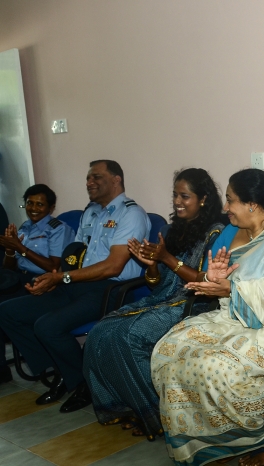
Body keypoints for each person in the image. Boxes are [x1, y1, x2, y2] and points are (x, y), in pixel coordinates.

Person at [150, 168, 264, 466]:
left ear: (252, 204)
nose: (225, 207)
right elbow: (225, 283)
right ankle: (213, 444)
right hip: (235, 317)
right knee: (169, 351)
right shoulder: (239, 232)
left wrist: (233, 288)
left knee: (213, 367)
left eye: (231, 200)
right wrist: (215, 279)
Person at [83, 168, 226, 440]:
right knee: (101, 332)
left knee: (128, 337)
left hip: (195, 305)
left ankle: (158, 413)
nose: (177, 202)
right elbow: (157, 283)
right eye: (175, 195)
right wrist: (151, 265)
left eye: (185, 196)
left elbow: (206, 282)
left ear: (203, 199)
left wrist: (167, 258)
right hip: (163, 300)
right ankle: (129, 406)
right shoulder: (172, 230)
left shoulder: (217, 233)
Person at [0, 160, 151, 412]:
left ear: (116, 180)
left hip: (110, 290)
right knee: (8, 312)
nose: (89, 182)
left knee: (48, 326)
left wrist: (62, 278)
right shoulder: (90, 212)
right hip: (76, 284)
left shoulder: (131, 214)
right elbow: (74, 256)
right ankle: (63, 371)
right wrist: (53, 279)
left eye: (96, 177)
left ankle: (84, 382)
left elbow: (113, 267)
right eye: (88, 178)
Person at [0, 184, 75, 384]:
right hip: (19, 278)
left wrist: (20, 247)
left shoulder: (58, 229)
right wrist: (10, 250)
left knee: (5, 310)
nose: (33, 208)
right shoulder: (25, 227)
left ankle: (48, 363)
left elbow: (53, 266)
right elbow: (9, 267)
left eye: (39, 204)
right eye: (29, 203)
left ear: (50, 208)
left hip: (45, 282)